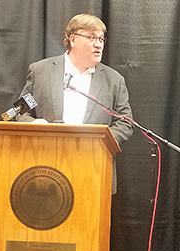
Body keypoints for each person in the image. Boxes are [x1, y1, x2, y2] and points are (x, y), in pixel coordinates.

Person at [18, 13, 133, 193]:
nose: (99, 44)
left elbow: (125, 122)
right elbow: (20, 111)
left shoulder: (113, 80)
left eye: (101, 39)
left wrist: (101, 141)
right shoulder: (41, 72)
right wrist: (35, 124)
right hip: (46, 169)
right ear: (73, 39)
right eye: (92, 37)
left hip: (93, 168)